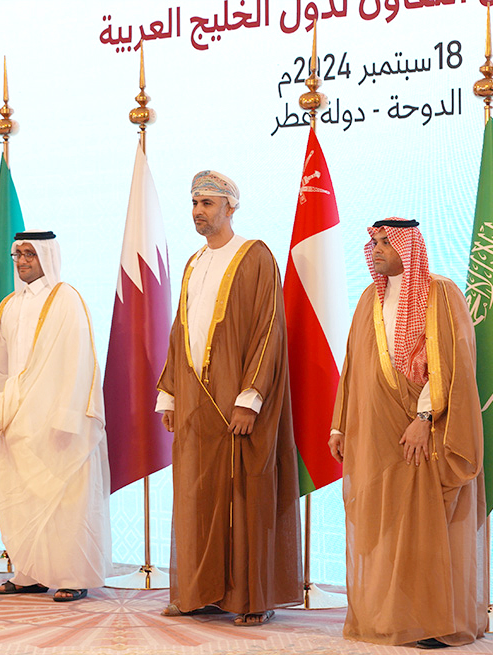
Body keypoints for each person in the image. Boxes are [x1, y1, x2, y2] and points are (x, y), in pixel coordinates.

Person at [328, 218, 486, 648]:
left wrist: (425, 418)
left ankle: (435, 621)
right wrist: (341, 424)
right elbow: (353, 367)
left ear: (408, 246)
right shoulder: (367, 300)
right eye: (373, 242)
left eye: (385, 242)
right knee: (389, 527)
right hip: (375, 435)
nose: (376, 249)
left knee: (428, 527)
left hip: (424, 434)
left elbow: (454, 364)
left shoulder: (441, 294)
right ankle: (391, 616)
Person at [156, 170, 302, 626]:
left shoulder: (254, 256)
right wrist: (170, 393)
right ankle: (199, 593)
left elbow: (267, 331)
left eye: (208, 203)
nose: (199, 212)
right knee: (196, 496)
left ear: (230, 208)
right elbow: (181, 329)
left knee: (246, 495)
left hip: (237, 402)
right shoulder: (194, 262)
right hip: (197, 401)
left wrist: (251, 397)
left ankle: (252, 599)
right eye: (195, 203)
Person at [0, 230, 112, 602]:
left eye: (29, 254)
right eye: (16, 254)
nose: (21, 261)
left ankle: (71, 574)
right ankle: (29, 573)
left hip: (57, 421)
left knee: (65, 498)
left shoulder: (66, 299)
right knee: (21, 498)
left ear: (47, 257)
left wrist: (68, 417)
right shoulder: (9, 305)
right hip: (18, 420)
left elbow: (79, 361)